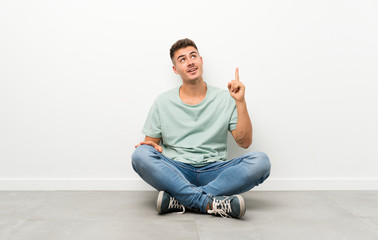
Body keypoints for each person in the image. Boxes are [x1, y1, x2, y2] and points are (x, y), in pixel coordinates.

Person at [132, 38, 271, 219]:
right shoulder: (163, 101)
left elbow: (245, 142)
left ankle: (182, 200)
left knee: (261, 161)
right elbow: (151, 144)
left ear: (201, 60)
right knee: (140, 154)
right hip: (177, 171)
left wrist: (240, 101)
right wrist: (151, 147)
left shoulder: (225, 98)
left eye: (193, 56)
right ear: (175, 69)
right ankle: (209, 203)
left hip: (214, 171)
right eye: (182, 59)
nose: (190, 62)